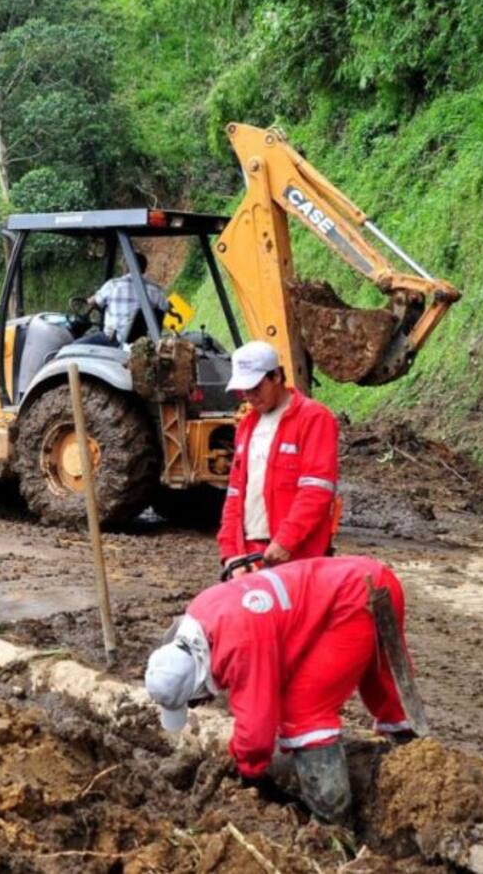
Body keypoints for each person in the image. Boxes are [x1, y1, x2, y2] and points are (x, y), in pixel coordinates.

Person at [144, 554, 414, 825]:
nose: (199, 704)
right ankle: (406, 748)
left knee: (303, 711)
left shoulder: (237, 643)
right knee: (380, 675)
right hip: (367, 575)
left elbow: (258, 724)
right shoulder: (202, 610)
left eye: (193, 702)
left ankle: (333, 819)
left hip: (355, 597)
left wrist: (248, 774)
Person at [217, 341, 338, 571]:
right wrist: (230, 553)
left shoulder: (313, 419)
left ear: (277, 376)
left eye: (256, 387)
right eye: (244, 390)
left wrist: (286, 540)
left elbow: (316, 490)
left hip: (296, 555)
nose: (249, 396)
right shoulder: (246, 426)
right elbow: (234, 495)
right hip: (250, 554)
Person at [76, 252, 170, 346]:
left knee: (72, 347)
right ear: (144, 269)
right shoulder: (156, 290)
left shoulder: (113, 285)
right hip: (141, 344)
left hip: (112, 341)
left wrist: (89, 300)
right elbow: (166, 308)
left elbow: (93, 302)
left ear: (125, 268)